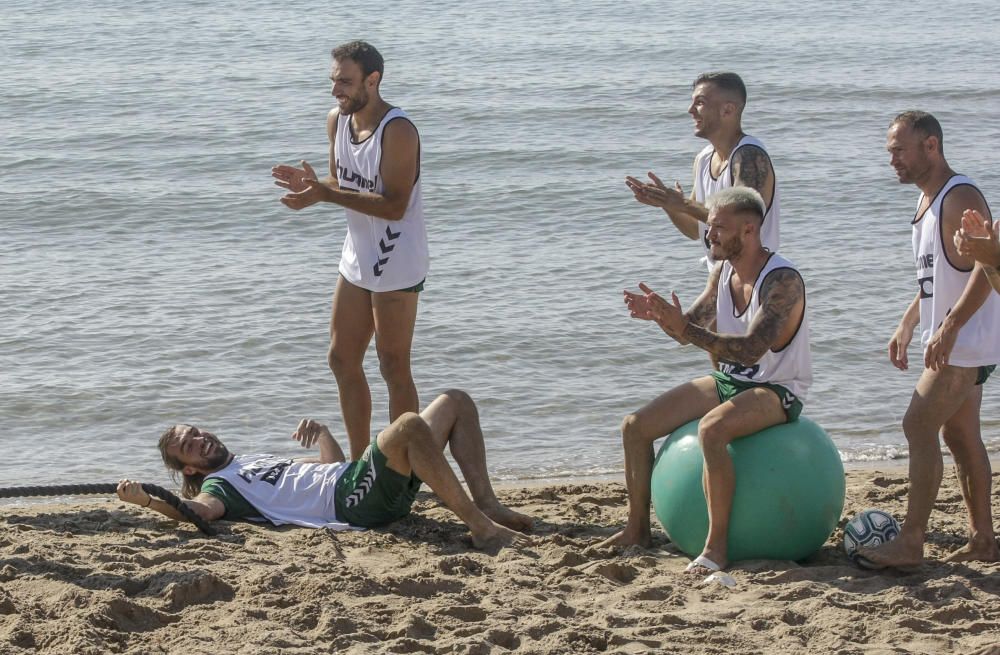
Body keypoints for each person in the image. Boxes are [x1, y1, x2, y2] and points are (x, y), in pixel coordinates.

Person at [596, 187, 811, 573]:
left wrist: (686, 330)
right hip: (729, 382)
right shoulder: (723, 272)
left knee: (711, 430)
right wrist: (663, 318)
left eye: (717, 228)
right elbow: (688, 330)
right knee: (635, 426)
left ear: (748, 231)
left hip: (777, 390)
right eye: (709, 227)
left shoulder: (783, 281)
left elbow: (749, 350)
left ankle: (716, 548)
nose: (709, 235)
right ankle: (637, 529)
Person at [118, 390, 532, 552]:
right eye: (189, 445)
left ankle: (488, 505)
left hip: (354, 481)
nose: (200, 439)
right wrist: (148, 501)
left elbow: (329, 466)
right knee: (408, 425)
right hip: (352, 501)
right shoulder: (218, 486)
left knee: (454, 402)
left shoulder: (250, 461)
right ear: (188, 465)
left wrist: (323, 433)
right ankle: (481, 528)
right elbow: (197, 513)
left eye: (197, 432)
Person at [271, 41, 428, 460]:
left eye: (345, 81)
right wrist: (315, 189)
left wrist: (326, 195)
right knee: (341, 359)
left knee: (393, 367)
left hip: (396, 257)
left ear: (372, 81)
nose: (335, 90)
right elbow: (345, 182)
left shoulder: (398, 130)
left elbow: (394, 205)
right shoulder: (336, 122)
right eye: (333, 80)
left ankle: (402, 465)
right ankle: (360, 463)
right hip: (357, 253)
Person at [858, 111, 1000, 569]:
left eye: (900, 149)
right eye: (889, 151)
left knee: (918, 425)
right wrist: (908, 322)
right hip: (956, 339)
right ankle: (982, 540)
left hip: (967, 341)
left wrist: (952, 325)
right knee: (959, 434)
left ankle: (911, 541)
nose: (892, 159)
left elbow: (986, 264)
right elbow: (935, 280)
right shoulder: (926, 204)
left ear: (931, 146)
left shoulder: (958, 196)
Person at [626, 72, 780, 270]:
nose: (690, 111)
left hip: (756, 276)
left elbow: (740, 222)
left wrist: (681, 203)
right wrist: (666, 203)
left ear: (728, 110)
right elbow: (694, 229)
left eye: (700, 102)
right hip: (721, 278)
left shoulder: (749, 157)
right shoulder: (703, 159)